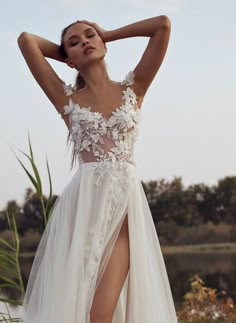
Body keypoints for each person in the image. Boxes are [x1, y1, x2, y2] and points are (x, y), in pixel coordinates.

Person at [18, 15, 178, 323]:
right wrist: (67, 56)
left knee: (99, 314)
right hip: (82, 213)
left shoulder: (135, 88)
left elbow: (162, 26)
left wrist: (108, 34)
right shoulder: (67, 99)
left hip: (123, 212)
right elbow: (27, 40)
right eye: (75, 43)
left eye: (90, 36)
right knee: (74, 308)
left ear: (102, 42)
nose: (85, 42)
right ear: (68, 58)